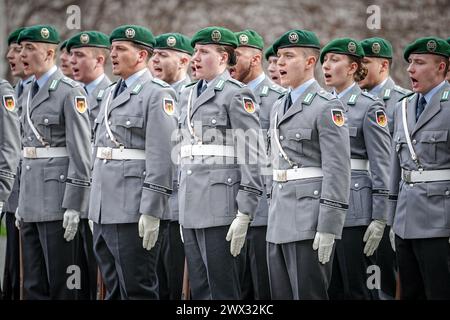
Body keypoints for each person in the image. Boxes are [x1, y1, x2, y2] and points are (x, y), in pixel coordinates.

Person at [89, 25, 177, 299]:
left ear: (141, 55)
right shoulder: (110, 93)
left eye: (120, 49)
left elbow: (162, 157)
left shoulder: (157, 93)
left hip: (133, 207)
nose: (112, 54)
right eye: (112, 49)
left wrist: (152, 210)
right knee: (114, 289)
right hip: (104, 207)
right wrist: (94, 207)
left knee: (137, 288)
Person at [177, 26, 263, 299]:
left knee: (223, 289)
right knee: (201, 289)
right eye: (194, 52)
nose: (195, 58)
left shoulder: (236, 93)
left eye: (203, 52)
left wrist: (245, 211)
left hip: (221, 206)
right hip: (191, 204)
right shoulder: (187, 94)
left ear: (224, 58)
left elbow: (253, 154)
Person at [267, 29, 350, 300]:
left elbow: (338, 170)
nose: (279, 63)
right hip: (279, 216)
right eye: (279, 57)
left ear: (310, 62)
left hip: (309, 219)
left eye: (288, 56)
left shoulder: (327, 106)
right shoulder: (279, 105)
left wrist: (329, 226)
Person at [16, 25, 92, 299]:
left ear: (49, 52)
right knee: (34, 284)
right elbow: (27, 152)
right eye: (21, 48)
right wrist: (22, 202)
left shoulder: (69, 91)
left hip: (59, 200)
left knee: (64, 283)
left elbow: (81, 153)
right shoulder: (27, 91)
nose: (22, 54)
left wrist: (75, 204)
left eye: (29, 49)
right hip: (31, 201)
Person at [321, 38, 391, 300]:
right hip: (324, 207)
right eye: (325, 60)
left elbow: (382, 163)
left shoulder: (369, 106)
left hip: (355, 209)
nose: (326, 66)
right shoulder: (319, 104)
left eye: (335, 60)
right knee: (331, 287)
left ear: (352, 68)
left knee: (358, 288)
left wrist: (380, 216)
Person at [388, 37, 450, 299]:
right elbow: (395, 168)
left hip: (441, 222)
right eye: (410, 62)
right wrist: (391, 220)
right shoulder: (402, 107)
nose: (411, 69)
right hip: (405, 221)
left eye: (420, 63)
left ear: (441, 67)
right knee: (410, 292)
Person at [230, 29, 284, 300]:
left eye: (236, 55)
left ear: (255, 59)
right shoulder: (225, 95)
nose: (230, 61)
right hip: (227, 208)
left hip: (264, 209)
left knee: (262, 289)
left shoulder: (278, 98)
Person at [359, 37, 411, 300]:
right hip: (355, 203)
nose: (359, 67)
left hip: (389, 206)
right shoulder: (346, 101)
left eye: (365, 62)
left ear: (384, 65)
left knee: (385, 281)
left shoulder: (403, 102)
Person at [66, 30, 112, 300]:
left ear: (99, 60)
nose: (72, 61)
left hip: (104, 198)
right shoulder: (72, 94)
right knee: (76, 279)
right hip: (77, 196)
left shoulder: (112, 94)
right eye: (71, 55)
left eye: (80, 55)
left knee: (102, 279)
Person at [150, 32, 193, 300]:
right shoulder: (150, 96)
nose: (155, 60)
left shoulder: (192, 96)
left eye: (163, 55)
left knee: (179, 285)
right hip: (152, 206)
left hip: (181, 206)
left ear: (183, 61)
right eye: (153, 55)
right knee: (155, 283)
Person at [3, 27, 33, 300]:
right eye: (13, 49)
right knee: (13, 273)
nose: (13, 55)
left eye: (20, 49)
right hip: (16, 196)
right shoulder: (15, 91)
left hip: (32, 194)